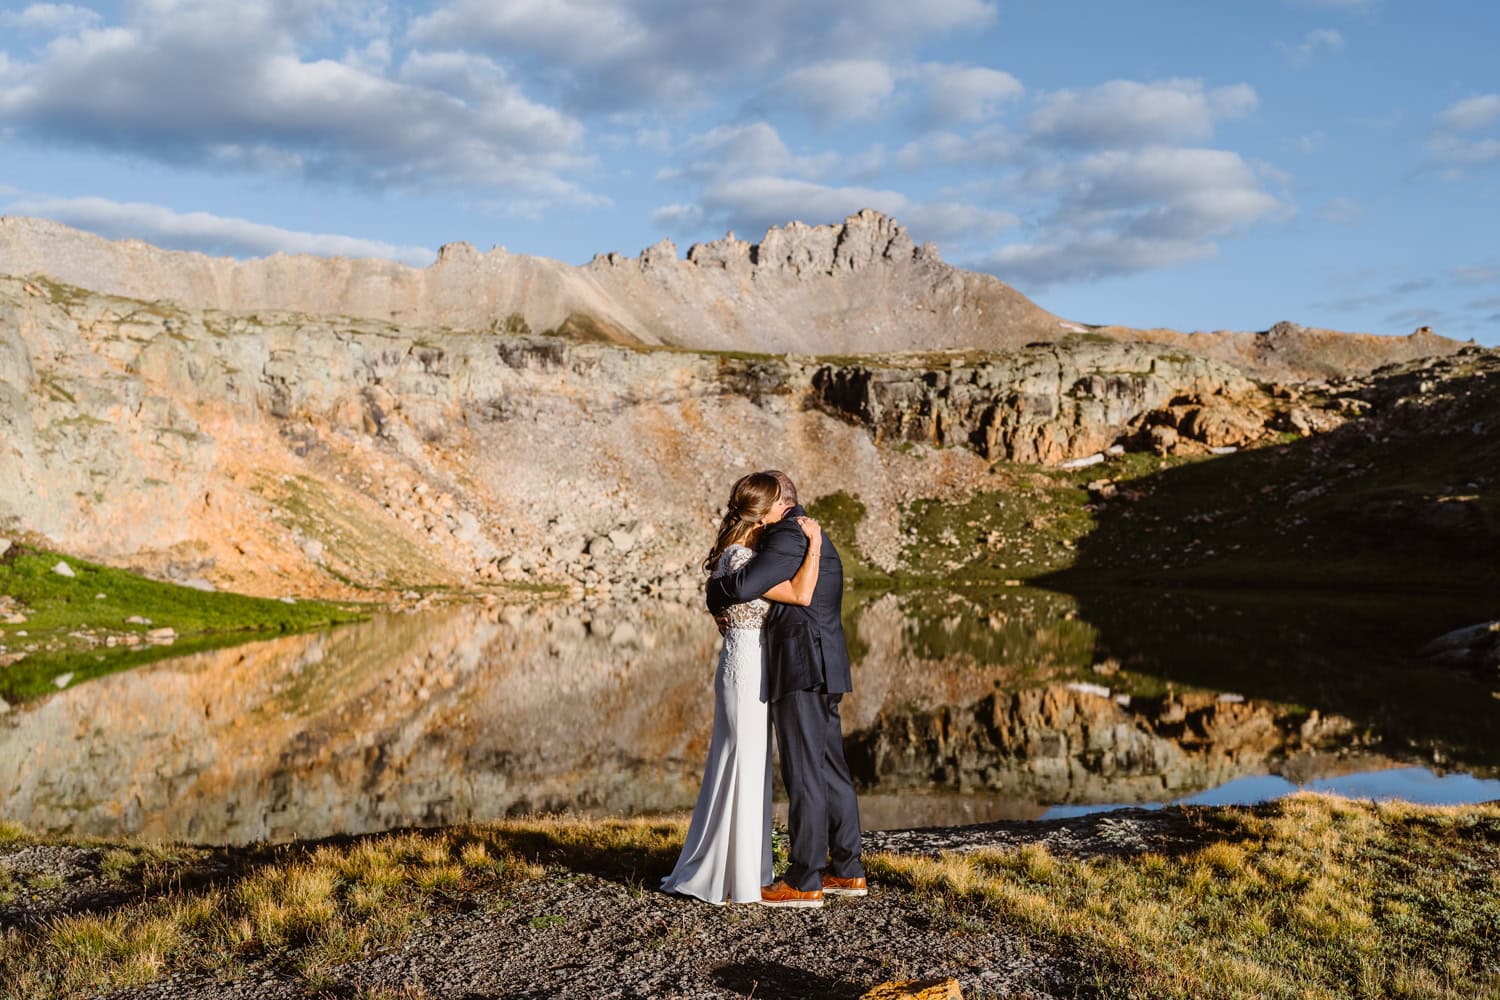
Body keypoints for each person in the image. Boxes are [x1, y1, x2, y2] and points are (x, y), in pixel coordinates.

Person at [660, 473, 823, 905]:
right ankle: (734, 874)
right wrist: (817, 546)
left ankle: (743, 868)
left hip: (749, 664)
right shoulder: (738, 560)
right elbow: (800, 594)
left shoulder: (742, 556)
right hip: (745, 667)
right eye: (777, 507)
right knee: (743, 763)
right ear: (760, 513)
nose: (783, 513)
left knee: (744, 763)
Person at [706, 469, 866, 909]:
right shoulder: (805, 533)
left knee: (804, 771)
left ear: (779, 500)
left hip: (801, 664)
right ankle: (847, 870)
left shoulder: (787, 535)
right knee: (830, 766)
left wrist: (711, 590)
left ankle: (804, 877)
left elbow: (745, 585)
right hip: (824, 661)